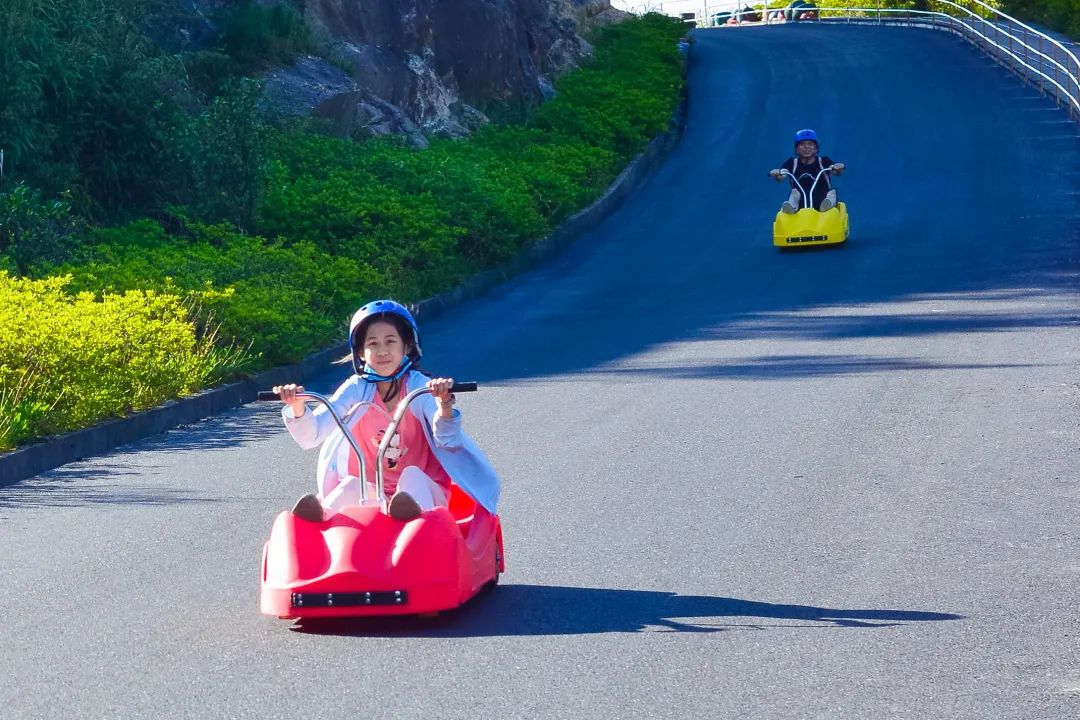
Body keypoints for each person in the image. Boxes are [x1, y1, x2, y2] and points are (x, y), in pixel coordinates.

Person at [273, 299, 500, 523]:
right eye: (372, 344)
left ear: (407, 346)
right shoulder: (357, 389)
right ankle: (321, 521)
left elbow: (447, 439)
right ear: (361, 352)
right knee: (353, 483)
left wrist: (444, 404)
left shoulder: (420, 388)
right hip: (372, 494)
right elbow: (313, 434)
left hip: (425, 495)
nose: (382, 351)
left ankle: (410, 517)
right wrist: (297, 405)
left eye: (390, 341)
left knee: (411, 476)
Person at [769, 129, 845, 213]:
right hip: (800, 208)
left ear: (816, 148)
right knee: (794, 192)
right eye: (802, 144)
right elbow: (782, 175)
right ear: (797, 149)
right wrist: (777, 173)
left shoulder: (823, 161)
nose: (806, 147)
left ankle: (828, 206)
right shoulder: (792, 163)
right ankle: (791, 209)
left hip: (822, 206)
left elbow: (836, 171)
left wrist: (837, 168)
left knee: (832, 192)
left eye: (810, 144)